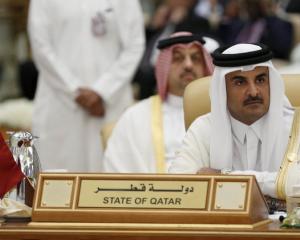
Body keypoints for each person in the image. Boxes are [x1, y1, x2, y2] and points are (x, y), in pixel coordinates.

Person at [168, 43, 299, 209]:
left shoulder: (296, 126)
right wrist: (274, 193)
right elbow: (179, 187)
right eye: (240, 82)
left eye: (260, 80)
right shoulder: (204, 129)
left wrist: (224, 177)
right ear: (222, 89)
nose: (253, 92)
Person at [27, 0, 145, 172]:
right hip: (60, 104)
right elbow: (40, 47)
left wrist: (103, 92)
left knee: (112, 184)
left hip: (110, 104)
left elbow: (135, 45)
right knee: (57, 189)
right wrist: (75, 92)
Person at [102, 32, 214, 173]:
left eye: (196, 58)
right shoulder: (135, 116)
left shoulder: (222, 115)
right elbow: (117, 172)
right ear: (164, 67)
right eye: (178, 58)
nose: (188, 65)